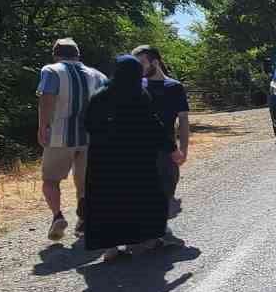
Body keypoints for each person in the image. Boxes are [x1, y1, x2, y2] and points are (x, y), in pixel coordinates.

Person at [82, 56, 179, 261]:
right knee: (144, 198)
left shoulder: (99, 96)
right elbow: (154, 126)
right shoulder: (139, 95)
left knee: (108, 201)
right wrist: (171, 149)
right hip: (137, 159)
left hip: (103, 161)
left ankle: (111, 250)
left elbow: (88, 125)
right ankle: (147, 242)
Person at [36, 38, 108, 241]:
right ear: (78, 55)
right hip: (90, 137)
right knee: (85, 182)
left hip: (59, 136)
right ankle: (84, 221)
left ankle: (57, 216)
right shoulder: (97, 75)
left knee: (50, 180)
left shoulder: (51, 71)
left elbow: (47, 100)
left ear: (55, 54)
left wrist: (43, 127)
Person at [132, 44, 188, 234]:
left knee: (167, 191)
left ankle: (157, 233)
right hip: (140, 149)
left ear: (154, 62)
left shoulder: (174, 87)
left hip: (168, 150)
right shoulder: (136, 86)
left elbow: (183, 120)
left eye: (141, 64)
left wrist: (183, 149)